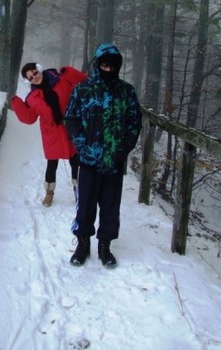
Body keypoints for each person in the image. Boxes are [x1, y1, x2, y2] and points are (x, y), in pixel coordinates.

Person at [64, 43, 142, 268]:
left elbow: (134, 122)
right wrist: (81, 144)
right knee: (85, 205)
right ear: (97, 64)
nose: (108, 69)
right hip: (88, 160)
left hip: (114, 162)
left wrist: (123, 147)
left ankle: (105, 246)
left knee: (110, 206)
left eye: (113, 65)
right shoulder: (82, 89)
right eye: (104, 64)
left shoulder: (126, 91)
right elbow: (71, 118)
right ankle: (82, 244)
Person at [11, 63, 87, 207]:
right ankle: (49, 193)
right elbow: (29, 118)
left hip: (71, 128)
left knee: (75, 161)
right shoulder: (32, 98)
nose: (35, 77)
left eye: (35, 72)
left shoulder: (61, 80)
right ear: (29, 81)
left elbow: (82, 82)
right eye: (31, 77)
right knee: (52, 164)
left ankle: (79, 190)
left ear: (39, 69)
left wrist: (69, 72)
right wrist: (17, 103)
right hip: (51, 134)